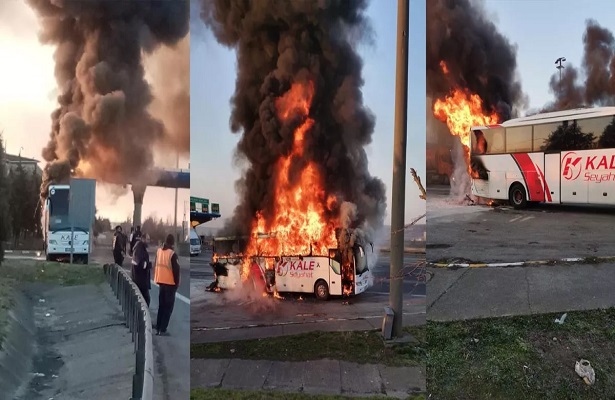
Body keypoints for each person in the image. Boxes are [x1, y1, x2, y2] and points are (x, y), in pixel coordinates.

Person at [153, 234, 180, 336]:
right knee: (168, 307)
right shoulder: (172, 254)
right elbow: (176, 271)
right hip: (170, 284)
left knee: (162, 306)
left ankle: (158, 326)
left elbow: (156, 265)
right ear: (173, 243)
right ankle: (163, 330)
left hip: (161, 282)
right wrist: (176, 284)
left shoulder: (159, 251)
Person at [131, 232, 151, 306]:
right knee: (146, 300)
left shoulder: (138, 247)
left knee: (142, 300)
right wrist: (149, 265)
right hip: (140, 280)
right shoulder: (140, 249)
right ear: (143, 239)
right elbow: (142, 264)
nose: (149, 241)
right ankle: (141, 317)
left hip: (137, 278)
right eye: (147, 239)